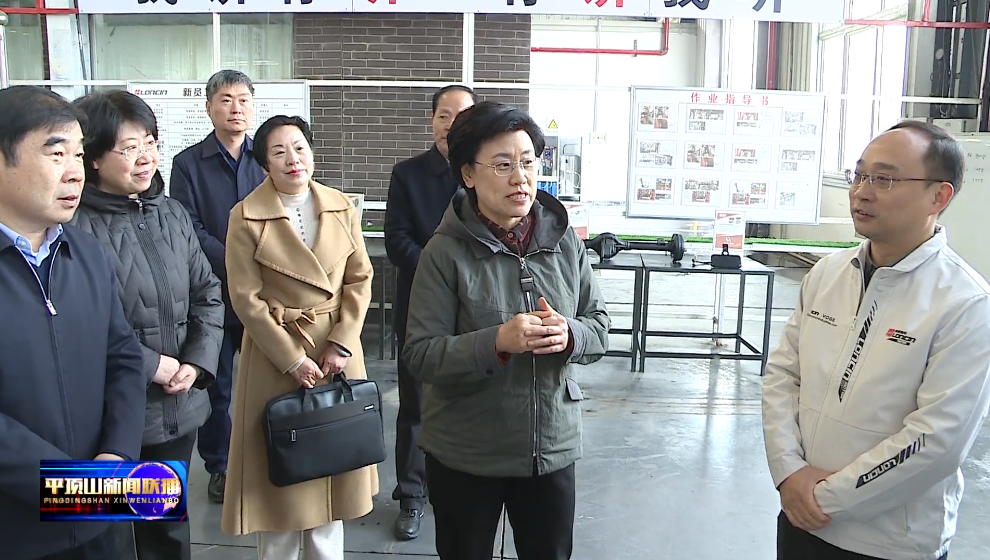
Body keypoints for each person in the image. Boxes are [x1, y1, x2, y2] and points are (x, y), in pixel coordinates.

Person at [762, 120, 990, 560]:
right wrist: (788, 473)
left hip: (889, 542)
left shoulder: (964, 303)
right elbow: (782, 376)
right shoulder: (827, 274)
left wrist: (823, 498)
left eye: (884, 179)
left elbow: (936, 440)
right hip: (799, 518)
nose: (861, 192)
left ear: (939, 197)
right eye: (859, 175)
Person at [402, 101, 611, 560]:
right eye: (503, 165)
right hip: (467, 453)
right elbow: (420, 354)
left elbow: (599, 325)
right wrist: (496, 342)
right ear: (468, 174)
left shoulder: (564, 241)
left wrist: (570, 335)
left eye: (528, 162)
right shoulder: (444, 252)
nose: (521, 178)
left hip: (550, 448)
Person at [70, 90, 225, 560]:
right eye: (129, 147)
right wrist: (149, 364)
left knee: (165, 531)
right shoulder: (73, 225)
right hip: (106, 416)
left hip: (175, 408)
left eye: (151, 143)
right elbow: (76, 324)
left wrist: (195, 364)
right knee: (104, 534)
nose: (146, 157)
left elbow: (208, 292)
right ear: (94, 158)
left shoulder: (171, 213)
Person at [221, 115, 377, 560]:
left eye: (300, 148)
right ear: (264, 164)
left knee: (332, 475)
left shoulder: (340, 206)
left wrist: (342, 341)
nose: (293, 159)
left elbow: (360, 278)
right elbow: (245, 298)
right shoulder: (245, 216)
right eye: (279, 152)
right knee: (281, 488)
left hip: (336, 353)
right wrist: (291, 359)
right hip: (276, 356)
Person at [0, 86, 147, 560]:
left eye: (79, 154)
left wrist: (116, 457)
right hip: (18, 530)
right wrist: (75, 489)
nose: (75, 172)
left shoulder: (85, 251)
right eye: (56, 153)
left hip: (101, 516)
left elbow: (123, 357)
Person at [383, 83, 477, 540]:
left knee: (473, 400)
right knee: (417, 404)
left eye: (462, 116)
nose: (452, 124)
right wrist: (442, 275)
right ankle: (411, 495)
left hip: (478, 311)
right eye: (444, 115)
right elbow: (397, 239)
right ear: (432, 120)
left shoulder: (485, 173)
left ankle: (464, 489)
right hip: (420, 307)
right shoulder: (408, 174)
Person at [169, 69, 267, 503]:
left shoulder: (265, 158)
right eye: (226, 100)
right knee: (219, 384)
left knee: (266, 379)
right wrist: (235, 259)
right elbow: (188, 227)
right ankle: (220, 466)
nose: (236, 108)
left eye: (243, 99)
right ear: (209, 107)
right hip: (214, 292)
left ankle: (265, 456)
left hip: (263, 291)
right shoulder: (188, 163)